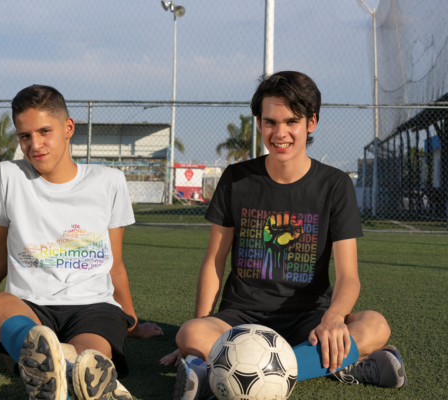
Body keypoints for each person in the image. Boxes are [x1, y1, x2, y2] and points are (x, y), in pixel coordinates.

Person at [160, 71, 406, 400]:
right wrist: (196, 337)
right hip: (241, 318)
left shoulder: (334, 185)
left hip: (310, 317)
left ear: (311, 123)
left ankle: (220, 374)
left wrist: (333, 318)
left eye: (291, 121)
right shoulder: (236, 179)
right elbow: (214, 261)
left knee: (376, 325)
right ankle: (340, 365)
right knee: (190, 332)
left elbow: (349, 275)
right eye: (270, 122)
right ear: (259, 123)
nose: (280, 133)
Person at [0, 85, 163, 400]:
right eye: (24, 136)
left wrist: (132, 324)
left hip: (93, 306)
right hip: (28, 305)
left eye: (45, 131)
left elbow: (115, 265)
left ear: (68, 127)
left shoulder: (109, 181)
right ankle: (65, 371)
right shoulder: (7, 176)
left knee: (90, 356)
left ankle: (64, 373)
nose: (35, 144)